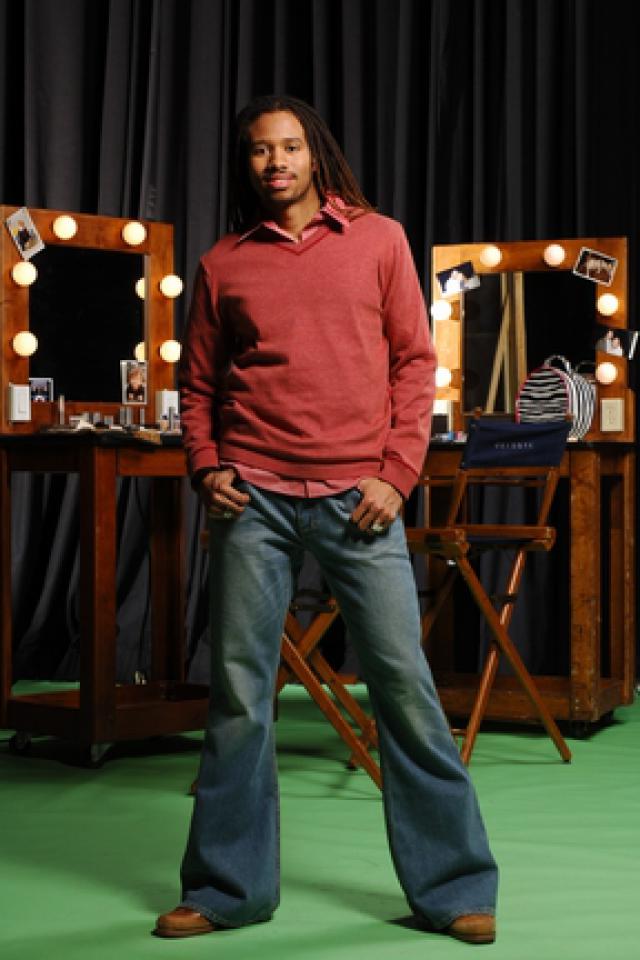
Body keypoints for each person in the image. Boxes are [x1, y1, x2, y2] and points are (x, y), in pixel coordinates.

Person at [155, 94, 498, 945]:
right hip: (254, 500)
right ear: (246, 164)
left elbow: (415, 365)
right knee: (240, 697)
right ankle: (226, 889)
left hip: (360, 501)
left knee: (404, 690)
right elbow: (197, 386)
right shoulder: (223, 263)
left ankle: (454, 889)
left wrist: (397, 475)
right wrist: (207, 464)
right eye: (259, 150)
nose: (275, 163)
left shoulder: (380, 241)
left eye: (289, 147)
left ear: (316, 155)